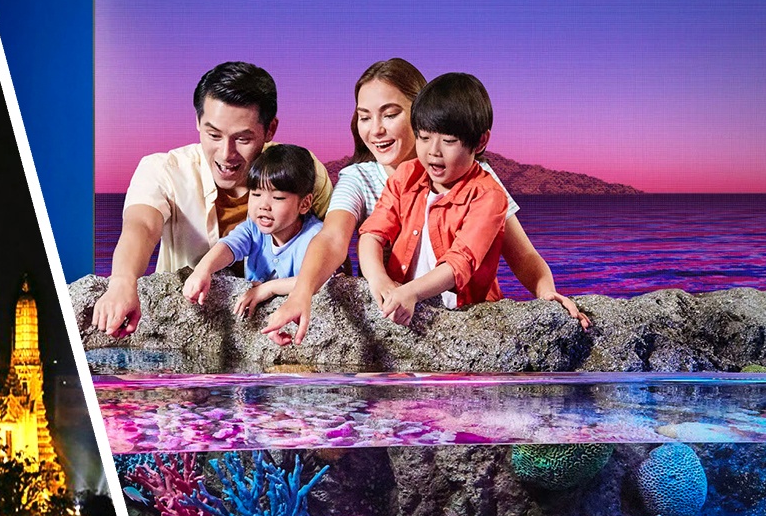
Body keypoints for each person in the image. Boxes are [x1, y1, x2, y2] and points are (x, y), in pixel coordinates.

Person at [262, 59, 587, 343]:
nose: (375, 130)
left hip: (467, 310)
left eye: (389, 115)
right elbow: (334, 238)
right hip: (399, 311)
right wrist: (303, 293)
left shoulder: (483, 183)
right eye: (364, 117)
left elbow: (521, 253)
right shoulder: (360, 178)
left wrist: (546, 294)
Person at [91, 61, 334, 336]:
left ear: (270, 130)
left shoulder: (300, 169)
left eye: (243, 139)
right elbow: (141, 227)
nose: (225, 153)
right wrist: (123, 283)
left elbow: (332, 243)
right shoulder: (163, 169)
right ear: (197, 121)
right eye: (213, 134)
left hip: (279, 323)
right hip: (190, 324)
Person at [357, 72, 510, 325]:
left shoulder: (488, 195)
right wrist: (378, 279)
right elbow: (372, 233)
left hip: (467, 314)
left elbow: (459, 262)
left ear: (480, 141)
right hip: (406, 305)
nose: (433, 152)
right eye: (424, 137)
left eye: (448, 141)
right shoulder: (407, 175)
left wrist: (411, 292)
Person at [182, 144, 325, 316]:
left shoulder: (316, 237)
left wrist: (269, 288)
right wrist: (203, 270)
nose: (263, 206)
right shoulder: (253, 227)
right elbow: (229, 246)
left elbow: (321, 281)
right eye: (256, 194)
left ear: (305, 204)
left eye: (277, 198)